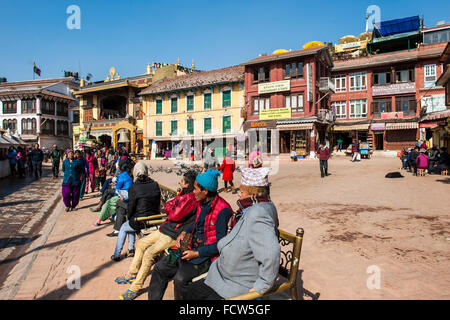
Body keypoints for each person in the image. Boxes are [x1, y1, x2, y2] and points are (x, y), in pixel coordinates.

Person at [185, 166, 280, 300]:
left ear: (252, 194)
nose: (238, 194)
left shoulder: (259, 213)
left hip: (237, 282)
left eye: (241, 191)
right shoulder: (252, 209)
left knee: (192, 292)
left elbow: (271, 252)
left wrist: (262, 285)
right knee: (191, 291)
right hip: (224, 274)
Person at [147, 169, 233, 300]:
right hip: (191, 248)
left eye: (195, 188)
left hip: (207, 257)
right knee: (160, 268)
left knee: (180, 279)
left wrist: (197, 253)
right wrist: (184, 232)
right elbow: (198, 223)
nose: (193, 192)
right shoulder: (202, 203)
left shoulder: (223, 210)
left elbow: (222, 244)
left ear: (205, 191)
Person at [116, 171, 198, 300]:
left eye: (181, 181)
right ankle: (132, 273)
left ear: (187, 184)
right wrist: (173, 206)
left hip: (174, 234)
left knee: (149, 253)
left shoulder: (191, 199)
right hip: (166, 228)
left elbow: (175, 214)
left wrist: (172, 207)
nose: (179, 183)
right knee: (140, 244)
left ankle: (135, 287)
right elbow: (168, 206)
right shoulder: (183, 195)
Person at [111, 162, 161, 261]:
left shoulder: (134, 187)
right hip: (154, 218)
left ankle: (117, 254)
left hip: (141, 221)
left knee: (124, 227)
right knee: (131, 223)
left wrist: (129, 217)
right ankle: (130, 249)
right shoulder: (155, 184)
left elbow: (131, 207)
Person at [93, 161, 133, 226]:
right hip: (128, 194)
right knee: (108, 194)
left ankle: (99, 220)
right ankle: (109, 215)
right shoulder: (129, 175)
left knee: (108, 202)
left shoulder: (121, 176)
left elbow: (117, 190)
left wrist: (114, 198)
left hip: (123, 196)